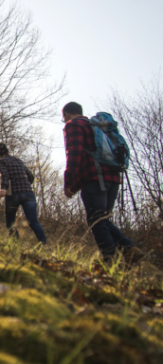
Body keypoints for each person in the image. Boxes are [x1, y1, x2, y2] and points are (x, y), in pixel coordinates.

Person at [62, 101, 144, 264]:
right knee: (102, 219)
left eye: (63, 118)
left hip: (95, 179)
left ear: (66, 114)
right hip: (113, 178)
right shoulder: (97, 127)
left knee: (96, 221)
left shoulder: (73, 125)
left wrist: (69, 182)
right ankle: (129, 250)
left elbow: (75, 154)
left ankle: (110, 261)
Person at [0, 143, 47, 244]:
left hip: (13, 194)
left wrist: (3, 188)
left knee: (11, 223)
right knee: (33, 221)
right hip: (28, 193)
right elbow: (31, 176)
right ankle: (43, 244)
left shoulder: (0, 161)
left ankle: (16, 244)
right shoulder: (18, 161)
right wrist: (25, 185)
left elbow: (4, 175)